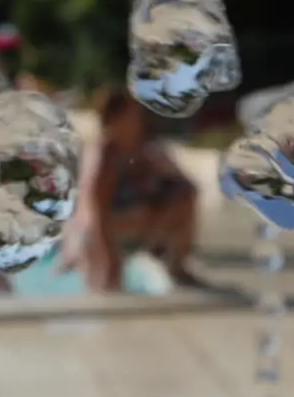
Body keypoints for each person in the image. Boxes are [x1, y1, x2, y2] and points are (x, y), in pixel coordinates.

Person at [61, 87, 203, 291]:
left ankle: (174, 264)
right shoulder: (103, 155)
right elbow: (95, 211)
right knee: (103, 283)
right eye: (132, 115)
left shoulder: (146, 150)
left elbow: (187, 186)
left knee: (183, 195)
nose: (138, 120)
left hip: (132, 226)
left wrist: (159, 179)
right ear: (115, 120)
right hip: (93, 231)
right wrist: (107, 257)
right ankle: (93, 270)